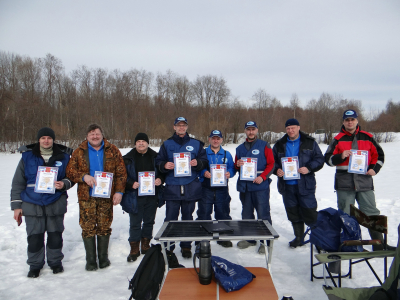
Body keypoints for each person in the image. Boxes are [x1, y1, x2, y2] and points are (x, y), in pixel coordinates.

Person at [10, 127, 74, 278]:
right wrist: (16, 206)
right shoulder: (27, 157)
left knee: (55, 235)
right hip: (32, 204)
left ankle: (55, 262)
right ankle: (35, 265)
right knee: (34, 237)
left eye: (49, 138)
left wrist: (64, 183)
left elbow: (72, 177)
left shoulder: (64, 157)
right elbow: (18, 183)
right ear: (38, 140)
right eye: (43, 138)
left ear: (53, 140)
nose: (46, 141)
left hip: (55, 202)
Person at [325, 109, 391, 250]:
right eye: (347, 120)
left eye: (352, 119)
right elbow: (328, 159)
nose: (350, 122)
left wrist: (374, 169)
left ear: (357, 120)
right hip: (344, 184)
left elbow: (379, 156)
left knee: (372, 213)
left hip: (364, 182)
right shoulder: (337, 139)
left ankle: (379, 245)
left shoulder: (367, 137)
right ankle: (350, 246)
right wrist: (340, 156)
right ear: (343, 121)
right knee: (346, 216)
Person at [66, 124, 127, 271]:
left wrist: (119, 192)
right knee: (87, 227)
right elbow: (70, 171)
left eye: (97, 134)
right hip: (87, 196)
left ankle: (103, 258)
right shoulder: (79, 152)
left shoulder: (113, 150)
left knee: (104, 226)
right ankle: (91, 260)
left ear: (102, 135)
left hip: (106, 196)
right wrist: (83, 176)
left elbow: (121, 173)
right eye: (91, 134)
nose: (95, 136)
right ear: (87, 136)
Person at [155, 117, 208, 258]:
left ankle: (186, 246)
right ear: (174, 127)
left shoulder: (196, 144)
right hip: (172, 187)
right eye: (178, 125)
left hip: (190, 186)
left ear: (187, 127)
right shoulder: (167, 144)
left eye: (183, 125)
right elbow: (158, 161)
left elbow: (204, 161)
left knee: (187, 218)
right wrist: (164, 165)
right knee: (171, 218)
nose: (181, 127)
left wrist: (198, 163)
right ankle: (169, 246)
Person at [272, 119, 324, 248]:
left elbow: (319, 159)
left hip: (305, 185)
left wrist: (309, 167)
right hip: (287, 186)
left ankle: (319, 240)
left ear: (298, 127)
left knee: (310, 213)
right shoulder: (279, 144)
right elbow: (272, 162)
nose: (291, 131)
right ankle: (299, 237)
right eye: (288, 128)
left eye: (293, 128)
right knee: (293, 213)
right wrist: (276, 170)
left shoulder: (309, 142)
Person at [121, 133, 165, 262]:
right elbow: (121, 176)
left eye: (143, 141)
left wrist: (160, 179)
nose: (141, 143)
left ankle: (145, 245)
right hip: (135, 196)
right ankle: (134, 248)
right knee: (135, 223)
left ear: (147, 143)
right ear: (135, 143)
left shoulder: (156, 157)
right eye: (138, 141)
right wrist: (130, 183)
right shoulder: (127, 158)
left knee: (149, 221)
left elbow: (163, 173)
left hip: (151, 195)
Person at [235, 121, 274, 254]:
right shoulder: (239, 148)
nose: (251, 132)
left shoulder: (264, 145)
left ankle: (265, 241)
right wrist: (238, 164)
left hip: (260, 186)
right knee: (246, 214)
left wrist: (263, 177)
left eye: (253, 129)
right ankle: (250, 238)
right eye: (248, 129)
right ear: (245, 131)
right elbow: (235, 166)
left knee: (263, 214)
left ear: (257, 130)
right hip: (245, 186)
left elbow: (271, 164)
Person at [197, 130, 236, 247]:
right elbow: (198, 168)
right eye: (213, 138)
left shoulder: (226, 154)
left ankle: (223, 237)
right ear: (209, 139)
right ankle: (203, 240)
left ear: (221, 140)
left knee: (223, 213)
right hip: (206, 188)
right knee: (204, 214)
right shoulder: (203, 153)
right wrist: (204, 172)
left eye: (218, 138)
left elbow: (232, 168)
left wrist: (230, 173)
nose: (215, 140)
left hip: (222, 189)